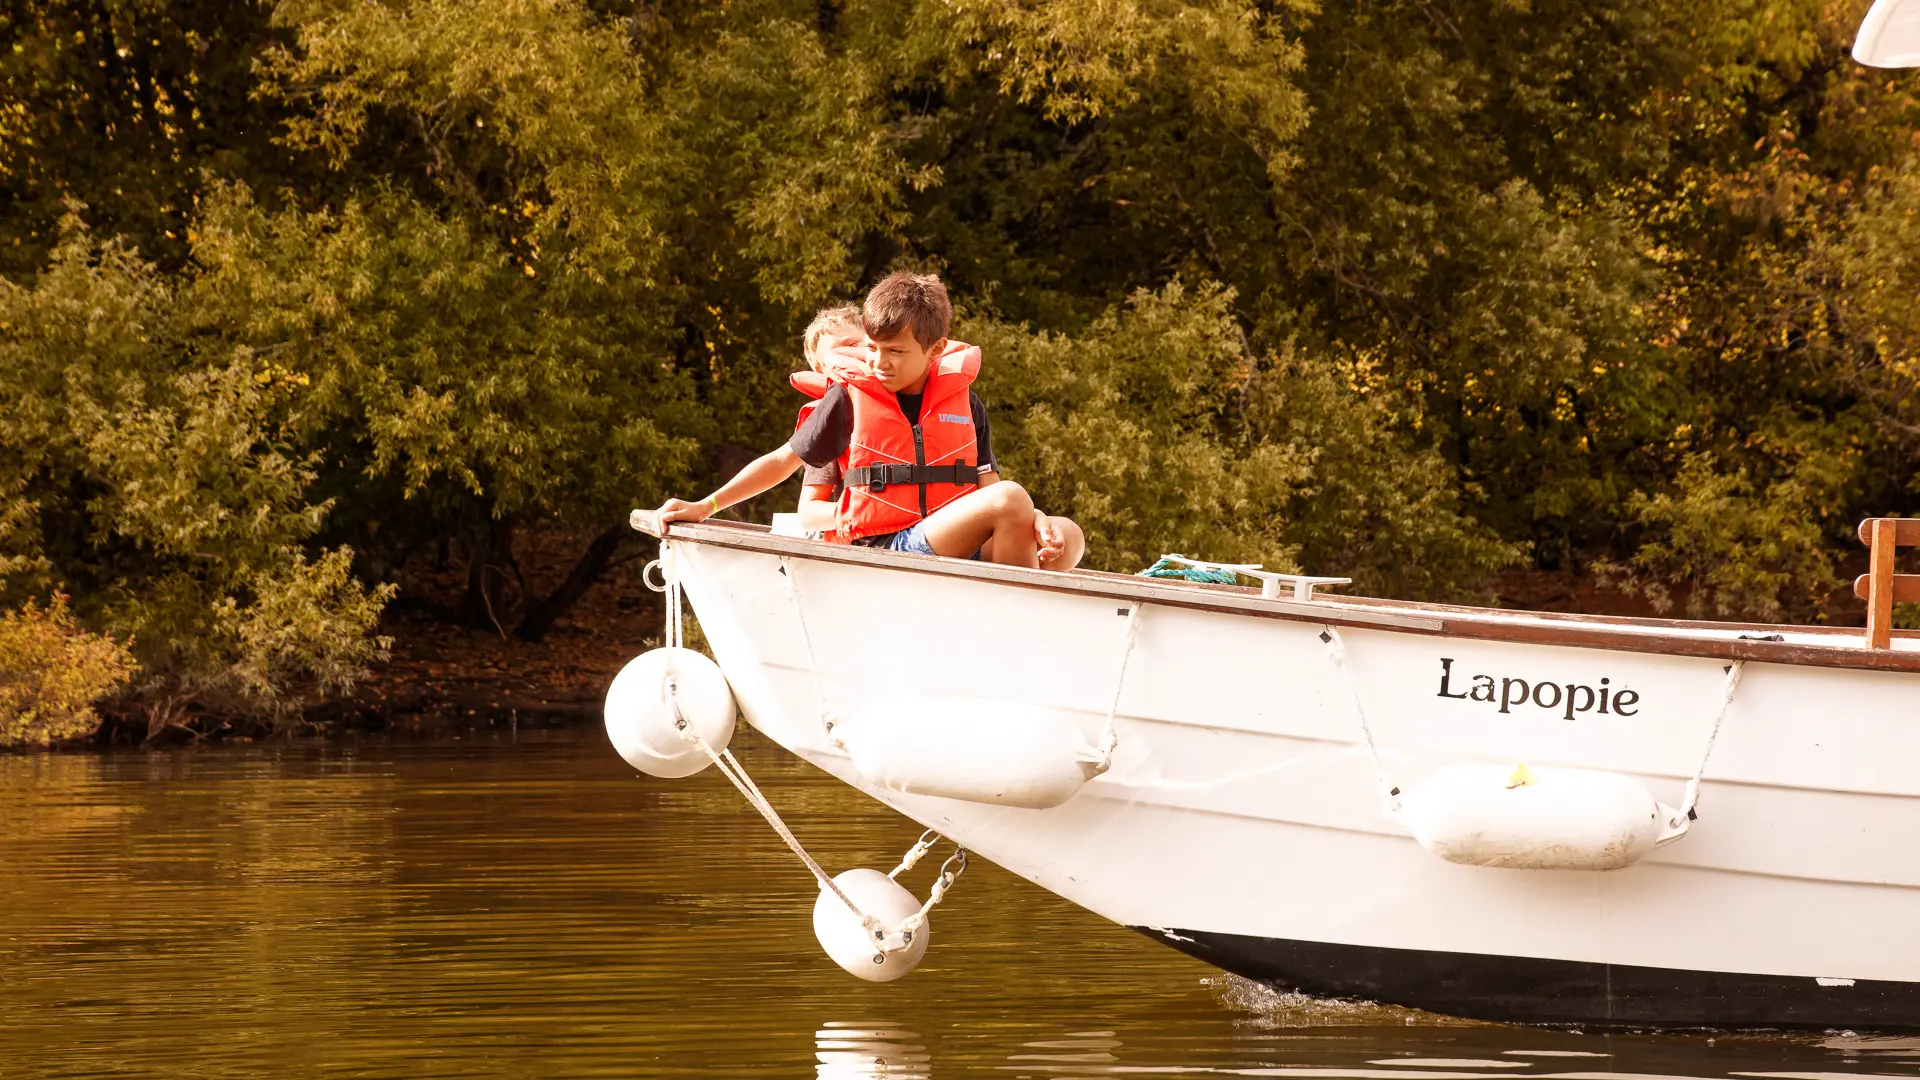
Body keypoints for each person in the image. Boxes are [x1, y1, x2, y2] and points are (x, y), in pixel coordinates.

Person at [655, 272, 1082, 569]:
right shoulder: (847, 397)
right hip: (890, 547)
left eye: (895, 352)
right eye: (873, 348)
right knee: (1011, 500)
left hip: (953, 541)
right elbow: (781, 461)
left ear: (935, 351)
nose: (879, 363)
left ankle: (1011, 608)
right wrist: (704, 506)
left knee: (1068, 538)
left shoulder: (964, 402)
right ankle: (1011, 625)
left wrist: (1037, 521)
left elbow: (989, 490)